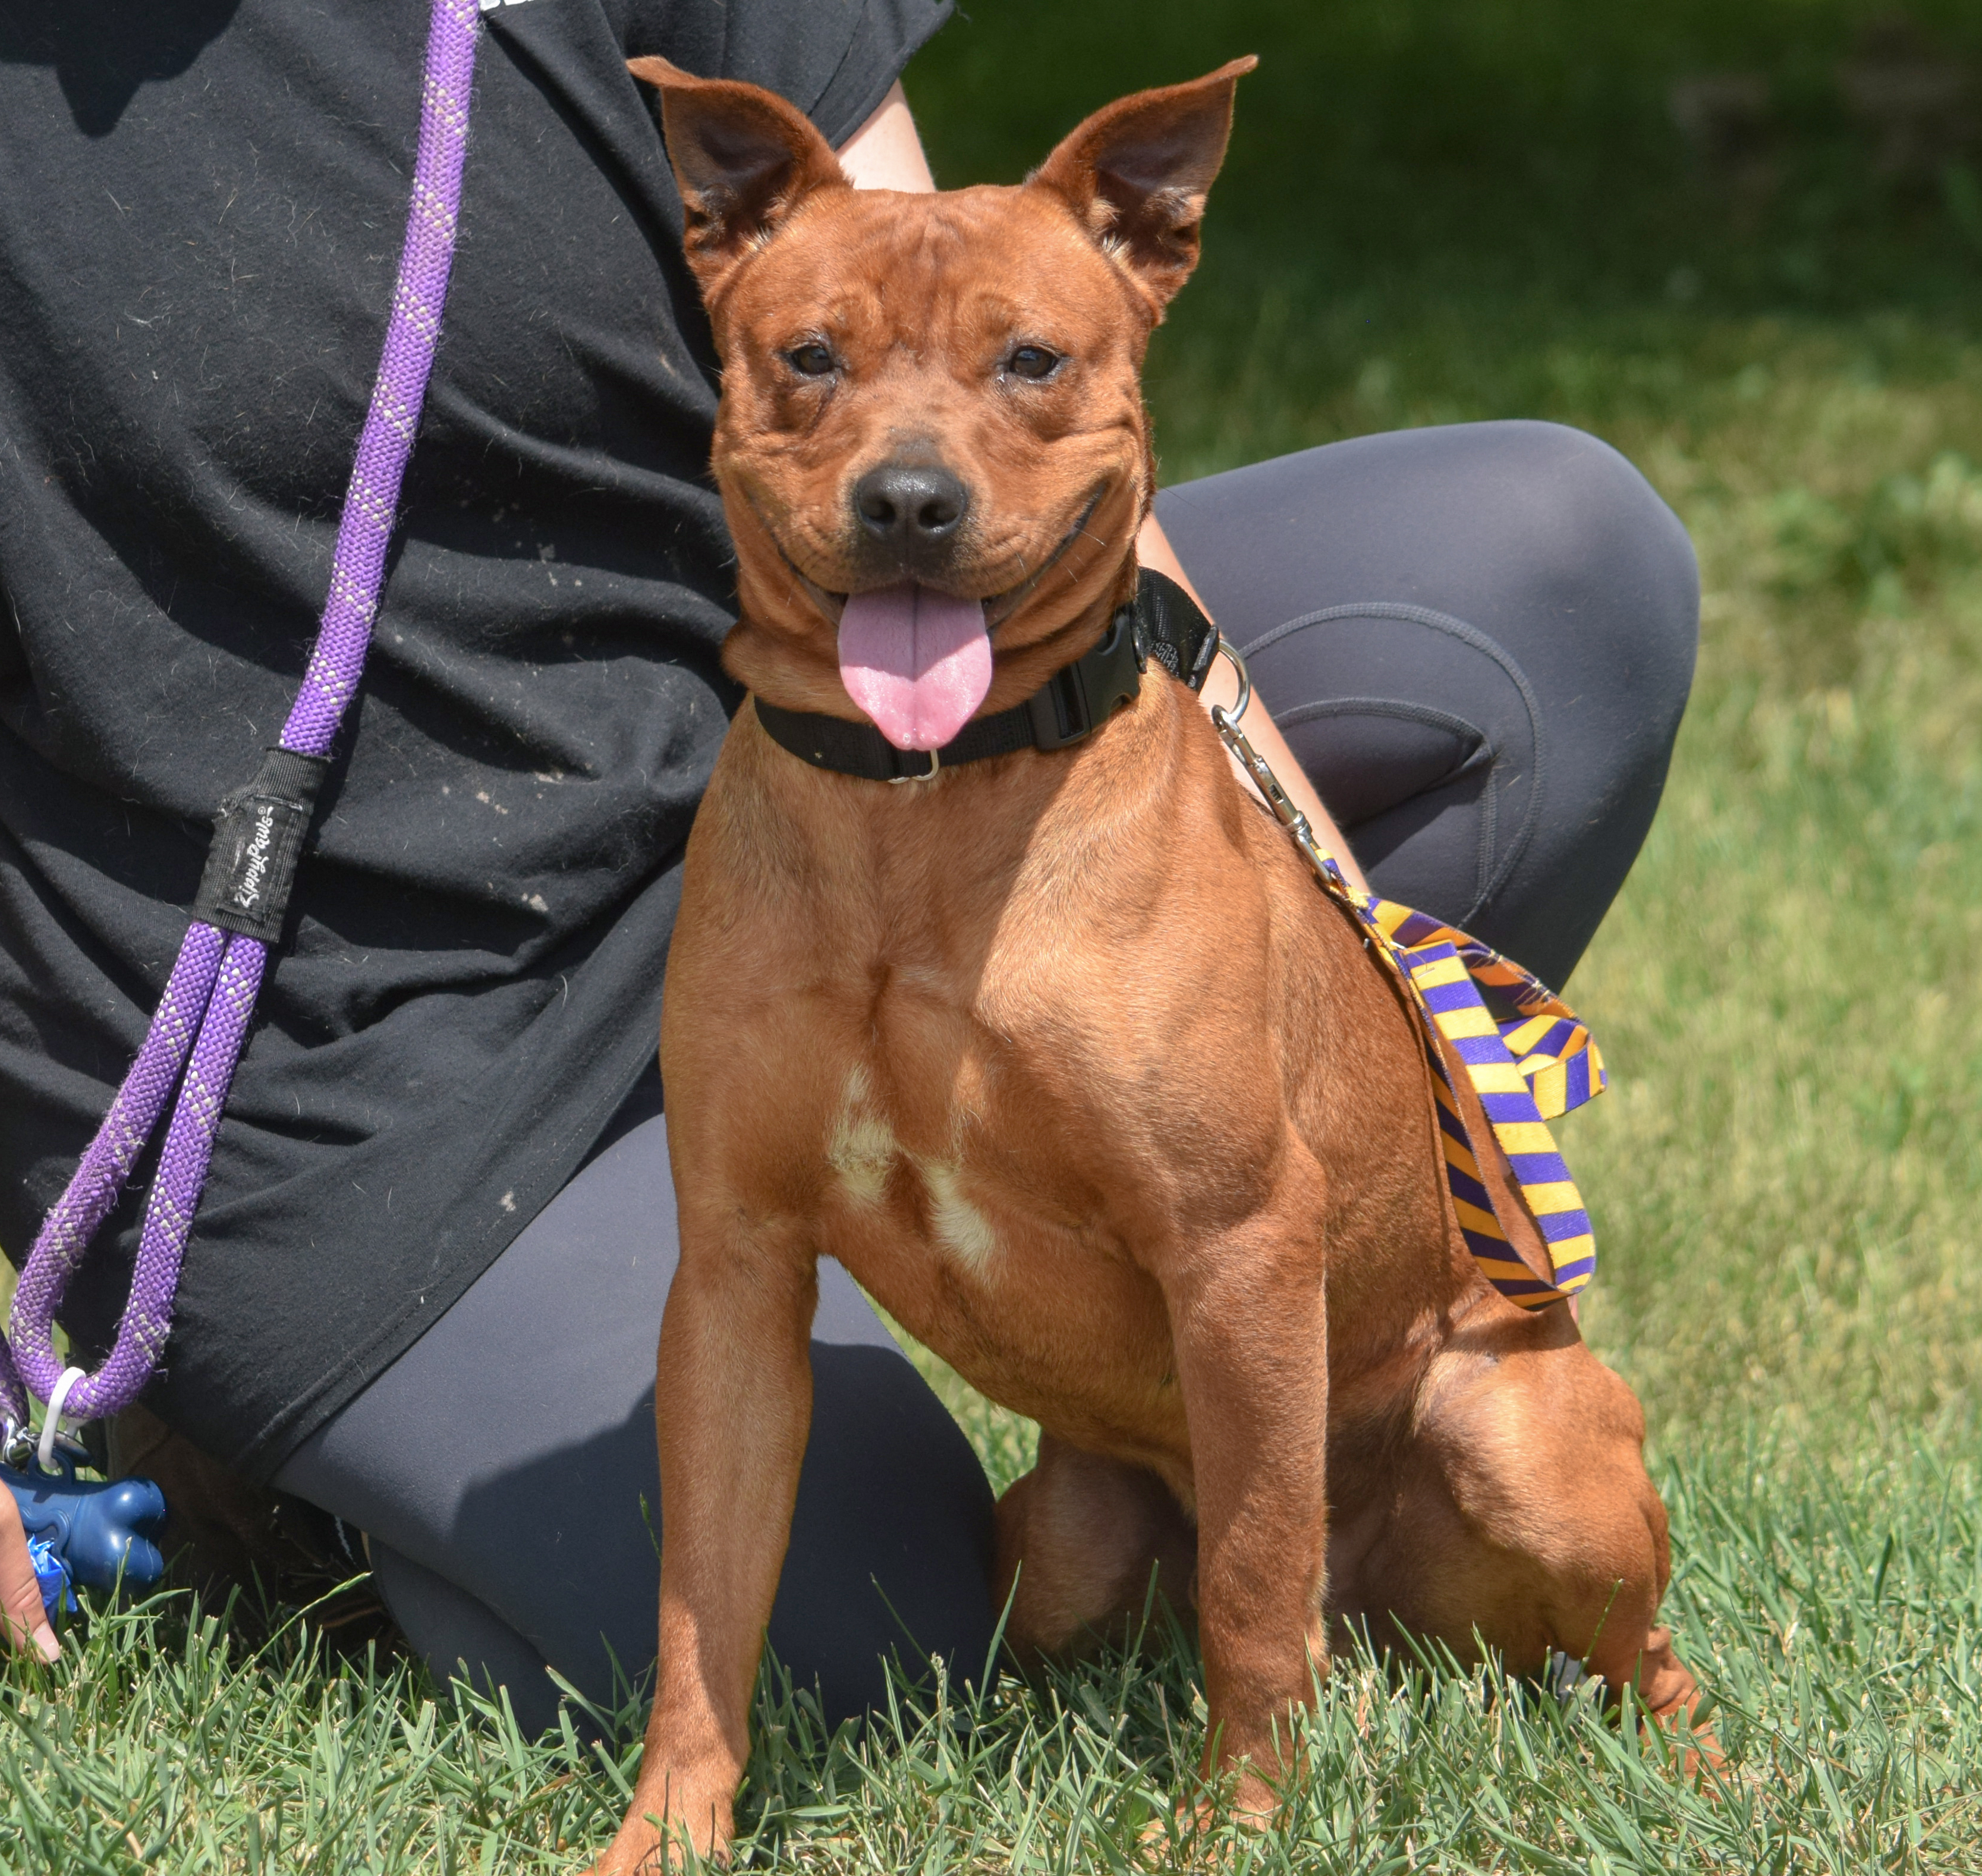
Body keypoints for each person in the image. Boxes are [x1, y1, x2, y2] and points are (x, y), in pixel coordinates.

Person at [0, 4, 1697, 1717]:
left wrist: (1366, 959)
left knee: (1555, 576)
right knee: (867, 1649)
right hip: (361, 1035)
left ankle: (1144, 1322)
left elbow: (955, 285)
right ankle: (231, 1447)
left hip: (780, 733)